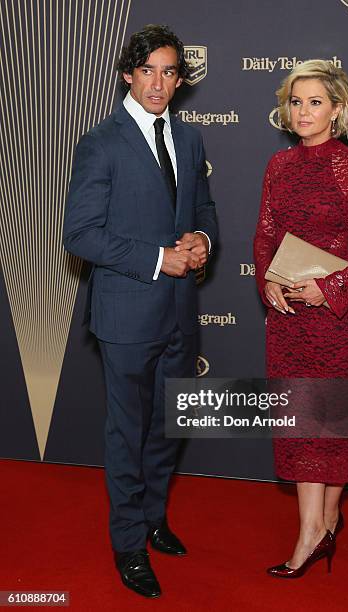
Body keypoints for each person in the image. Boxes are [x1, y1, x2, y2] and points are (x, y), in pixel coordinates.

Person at [63, 25, 217, 598]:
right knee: (127, 433)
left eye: (170, 71)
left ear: (180, 77)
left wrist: (202, 239)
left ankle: (153, 517)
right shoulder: (101, 142)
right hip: (127, 315)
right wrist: (159, 259)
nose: (159, 83)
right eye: (148, 70)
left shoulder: (191, 137)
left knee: (166, 426)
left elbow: (202, 204)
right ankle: (127, 543)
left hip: (180, 311)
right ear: (128, 73)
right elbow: (80, 234)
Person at [253, 59, 348, 578]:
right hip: (290, 316)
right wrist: (267, 282)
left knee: (331, 425)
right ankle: (317, 526)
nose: (303, 111)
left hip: (336, 320)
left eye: (315, 101)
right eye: (296, 101)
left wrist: (330, 287)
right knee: (298, 425)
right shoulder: (279, 166)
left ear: (337, 110)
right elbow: (266, 235)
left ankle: (318, 526)